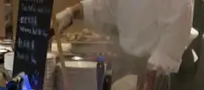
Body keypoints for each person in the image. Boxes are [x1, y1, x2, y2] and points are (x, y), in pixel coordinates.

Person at [55, 0, 195, 75]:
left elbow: (175, 33)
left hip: (163, 71)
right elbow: (105, 5)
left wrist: (151, 73)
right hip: (131, 63)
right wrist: (72, 12)